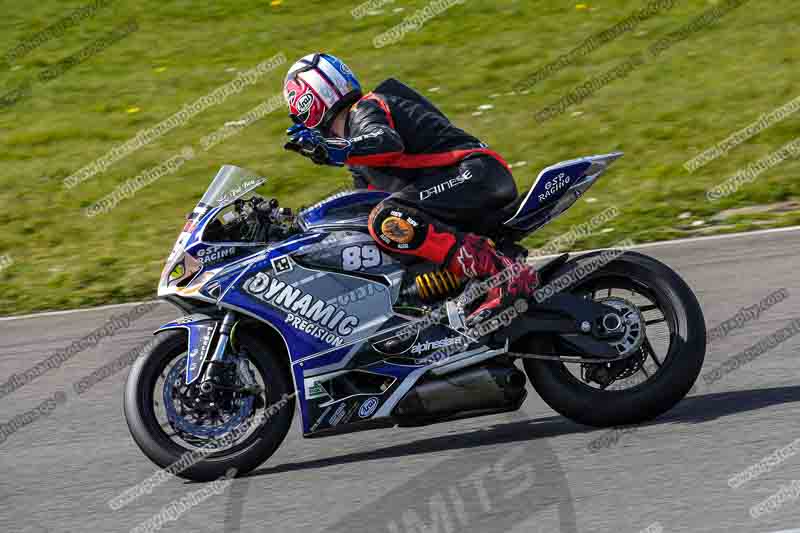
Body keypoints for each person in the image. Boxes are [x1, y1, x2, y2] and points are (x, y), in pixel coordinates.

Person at [282, 53, 538, 323]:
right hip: (463, 186)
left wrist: (333, 150)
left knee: (387, 218)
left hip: (475, 174)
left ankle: (504, 275)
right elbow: (362, 204)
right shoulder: (358, 158)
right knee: (382, 236)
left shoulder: (367, 108)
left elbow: (386, 142)